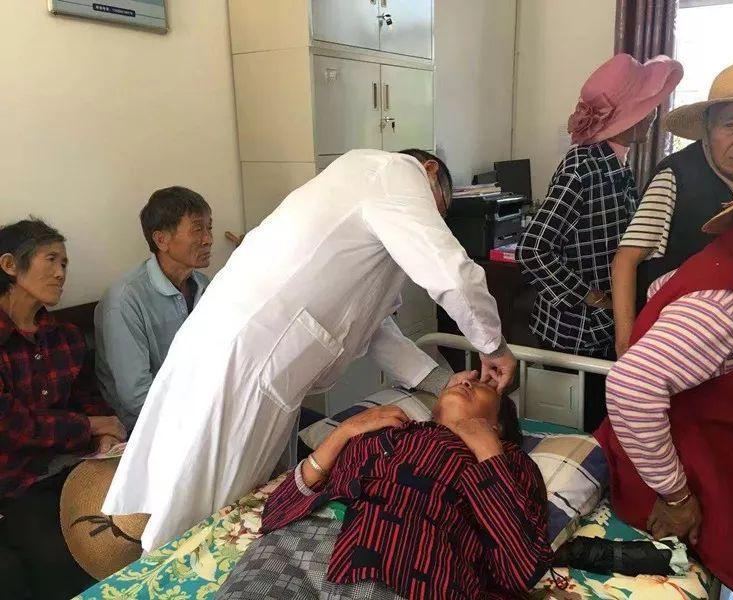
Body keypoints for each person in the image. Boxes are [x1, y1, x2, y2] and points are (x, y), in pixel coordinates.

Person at [104, 149, 518, 551]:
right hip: (246, 357)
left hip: (248, 354)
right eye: (438, 210)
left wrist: (441, 381)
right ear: (428, 170)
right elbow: (453, 274)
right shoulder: (395, 172)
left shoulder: (361, 198)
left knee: (215, 496)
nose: (433, 221)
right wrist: (493, 346)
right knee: (203, 510)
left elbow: (374, 329)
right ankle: (171, 571)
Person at [596, 119, 733, 600]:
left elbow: (659, 289)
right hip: (696, 485)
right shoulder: (726, 302)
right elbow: (630, 387)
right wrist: (677, 496)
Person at [216, 375, 552, 600]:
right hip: (294, 545)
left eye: (479, 385)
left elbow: (520, 568)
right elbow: (276, 513)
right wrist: (343, 433)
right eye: (462, 378)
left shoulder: (511, 461)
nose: (465, 380)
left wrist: (489, 455)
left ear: (499, 424)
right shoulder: (380, 429)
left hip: (409, 567)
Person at [517, 53, 682, 430]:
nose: (653, 115)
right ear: (626, 116)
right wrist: (590, 296)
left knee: (601, 422)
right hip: (574, 332)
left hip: (601, 327)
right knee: (578, 429)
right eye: (646, 107)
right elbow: (533, 249)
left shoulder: (615, 164)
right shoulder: (584, 166)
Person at [612, 61, 733, 356]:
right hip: (674, 343)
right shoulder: (675, 176)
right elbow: (625, 260)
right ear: (708, 128)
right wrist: (626, 344)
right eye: (730, 125)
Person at [0, 219, 126, 599]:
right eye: (51, 260)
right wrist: (91, 426)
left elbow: (88, 396)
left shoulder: (65, 337)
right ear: (9, 265)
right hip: (15, 483)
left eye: (65, 264)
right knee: (62, 562)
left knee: (132, 528)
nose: (61, 273)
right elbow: (13, 426)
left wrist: (105, 437)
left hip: (73, 467)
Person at [94, 186, 213, 430]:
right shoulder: (124, 300)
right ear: (161, 240)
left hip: (202, 411)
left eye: (209, 228)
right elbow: (136, 398)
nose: (208, 239)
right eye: (198, 229)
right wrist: (198, 422)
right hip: (150, 428)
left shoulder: (204, 286)